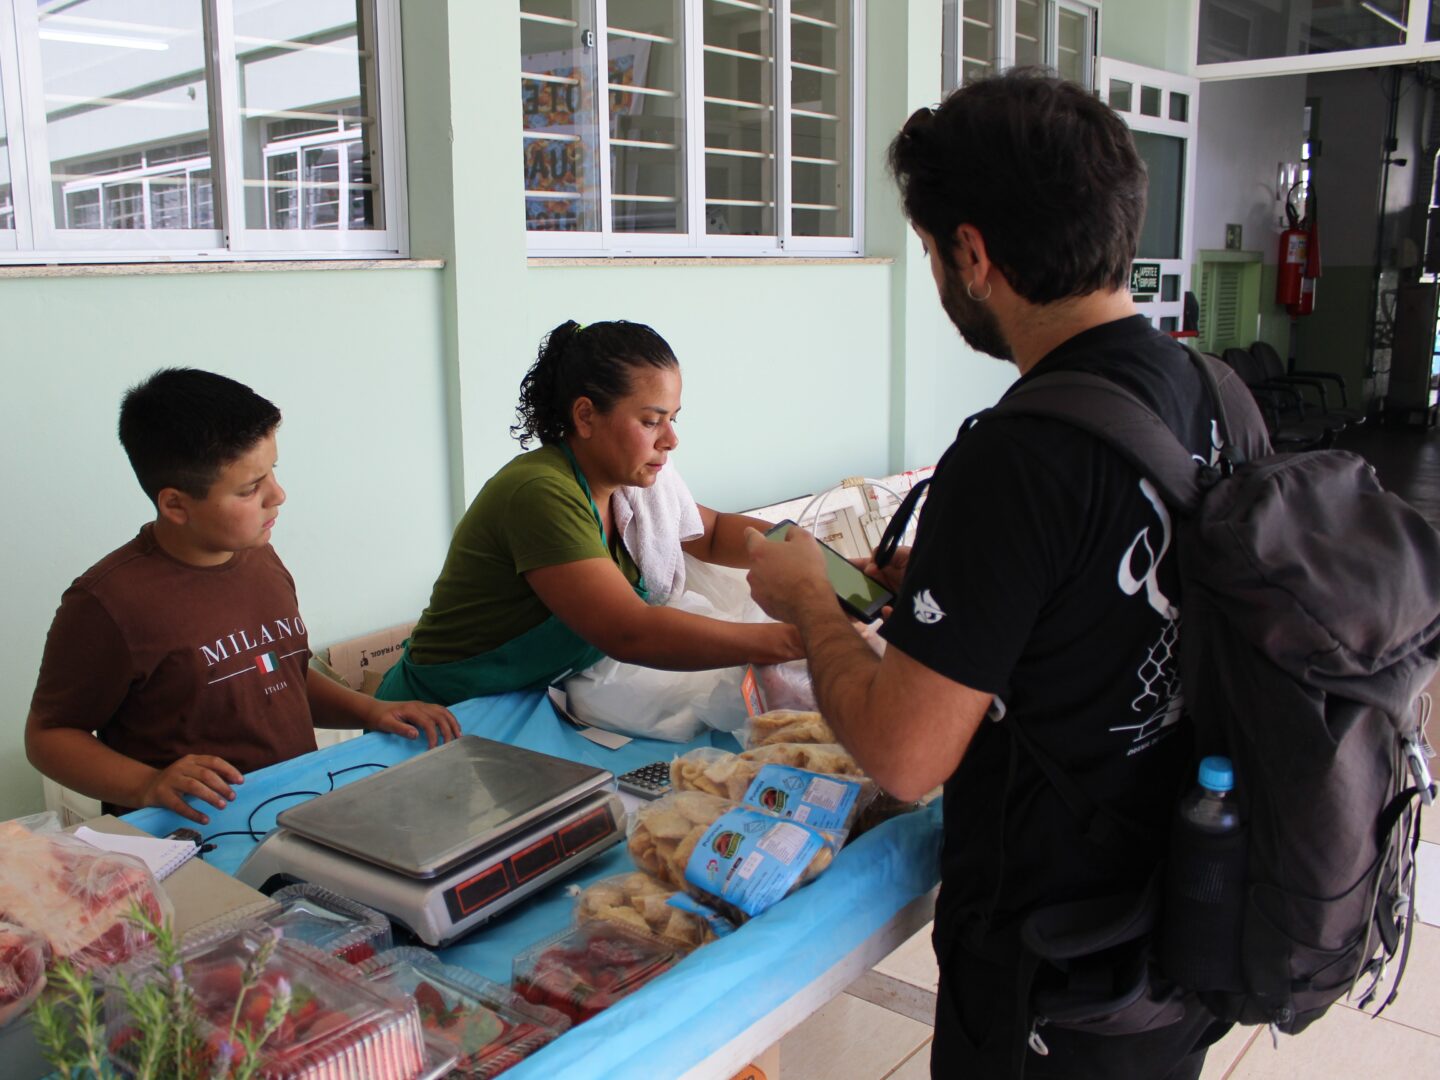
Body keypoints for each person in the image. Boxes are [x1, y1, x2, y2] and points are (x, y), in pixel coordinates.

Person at [744, 72, 1231, 1078]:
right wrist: (965, 592)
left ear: (973, 254)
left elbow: (905, 756)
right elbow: (1113, 600)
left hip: (1052, 968)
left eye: (930, 252)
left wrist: (808, 603)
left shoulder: (1018, 458)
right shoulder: (1213, 390)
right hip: (1185, 919)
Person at [25, 368, 459, 826]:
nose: (278, 495)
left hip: (299, 809)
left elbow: (282, 672)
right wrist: (147, 784)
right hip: (194, 836)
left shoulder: (259, 556)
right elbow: (48, 736)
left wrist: (373, 710)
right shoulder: (106, 604)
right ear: (175, 505)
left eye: (273, 472)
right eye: (250, 488)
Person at [377, 319, 803, 706]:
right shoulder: (540, 494)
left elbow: (713, 533)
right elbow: (630, 632)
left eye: (673, 419)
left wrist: (808, 556)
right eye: (651, 421)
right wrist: (798, 640)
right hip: (438, 712)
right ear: (585, 416)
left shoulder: (634, 488)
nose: (671, 440)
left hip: (527, 694)